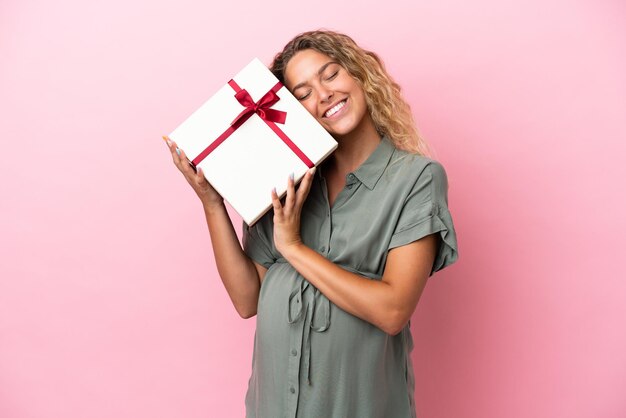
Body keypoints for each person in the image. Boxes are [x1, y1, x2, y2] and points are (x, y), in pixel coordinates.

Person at [164, 29, 459, 418]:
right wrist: (212, 202)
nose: (323, 96)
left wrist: (294, 250)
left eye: (331, 74)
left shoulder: (416, 179)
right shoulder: (286, 181)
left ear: (359, 74)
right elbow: (246, 299)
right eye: (302, 94)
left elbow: (392, 310)